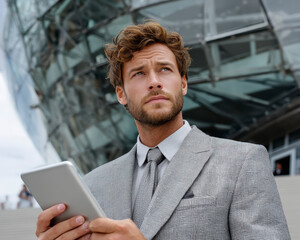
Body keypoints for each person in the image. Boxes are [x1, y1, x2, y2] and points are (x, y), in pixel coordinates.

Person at [35, 21, 290, 240]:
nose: (154, 81)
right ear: (121, 94)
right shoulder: (92, 185)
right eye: (139, 74)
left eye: (164, 69)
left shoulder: (242, 163)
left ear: (183, 83)